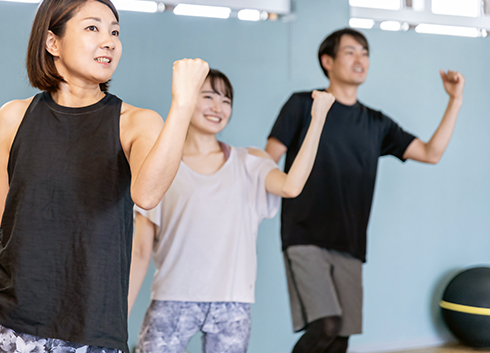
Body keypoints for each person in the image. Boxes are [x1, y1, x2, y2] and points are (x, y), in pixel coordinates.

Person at [0, 0, 210, 353]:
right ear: (52, 42)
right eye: (93, 28)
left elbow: (148, 194)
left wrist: (183, 105)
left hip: (90, 330)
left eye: (115, 32)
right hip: (2, 321)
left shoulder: (136, 122)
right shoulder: (13, 117)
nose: (109, 41)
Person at [265, 28, 465, 353]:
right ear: (327, 61)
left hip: (350, 242)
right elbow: (267, 161)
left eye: (365, 52)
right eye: (350, 52)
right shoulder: (303, 104)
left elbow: (431, 153)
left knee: (340, 337)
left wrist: (455, 100)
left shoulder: (376, 123)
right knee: (325, 324)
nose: (360, 59)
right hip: (304, 235)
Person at [128, 69, 335, 353]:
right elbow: (139, 250)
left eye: (226, 100)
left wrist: (318, 118)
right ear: (188, 99)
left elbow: (291, 186)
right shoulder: (162, 168)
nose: (218, 107)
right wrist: (117, 319)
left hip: (232, 303)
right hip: (172, 299)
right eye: (208, 96)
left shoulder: (249, 162)